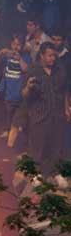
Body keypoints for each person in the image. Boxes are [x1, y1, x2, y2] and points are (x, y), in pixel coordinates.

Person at [18, 42, 68, 175]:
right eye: (50, 55)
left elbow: (64, 91)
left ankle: (55, 173)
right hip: (39, 116)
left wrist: (66, 109)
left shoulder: (59, 70)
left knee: (55, 147)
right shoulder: (33, 70)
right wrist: (28, 87)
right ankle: (35, 175)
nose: (53, 58)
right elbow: (23, 94)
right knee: (37, 149)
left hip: (56, 116)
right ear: (41, 55)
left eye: (54, 56)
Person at [0, 34, 31, 130]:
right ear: (11, 44)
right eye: (14, 44)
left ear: (23, 45)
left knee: (16, 126)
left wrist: (19, 59)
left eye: (18, 44)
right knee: (3, 123)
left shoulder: (25, 56)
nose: (16, 47)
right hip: (5, 95)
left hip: (18, 96)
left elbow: (26, 70)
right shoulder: (5, 56)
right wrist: (0, 54)